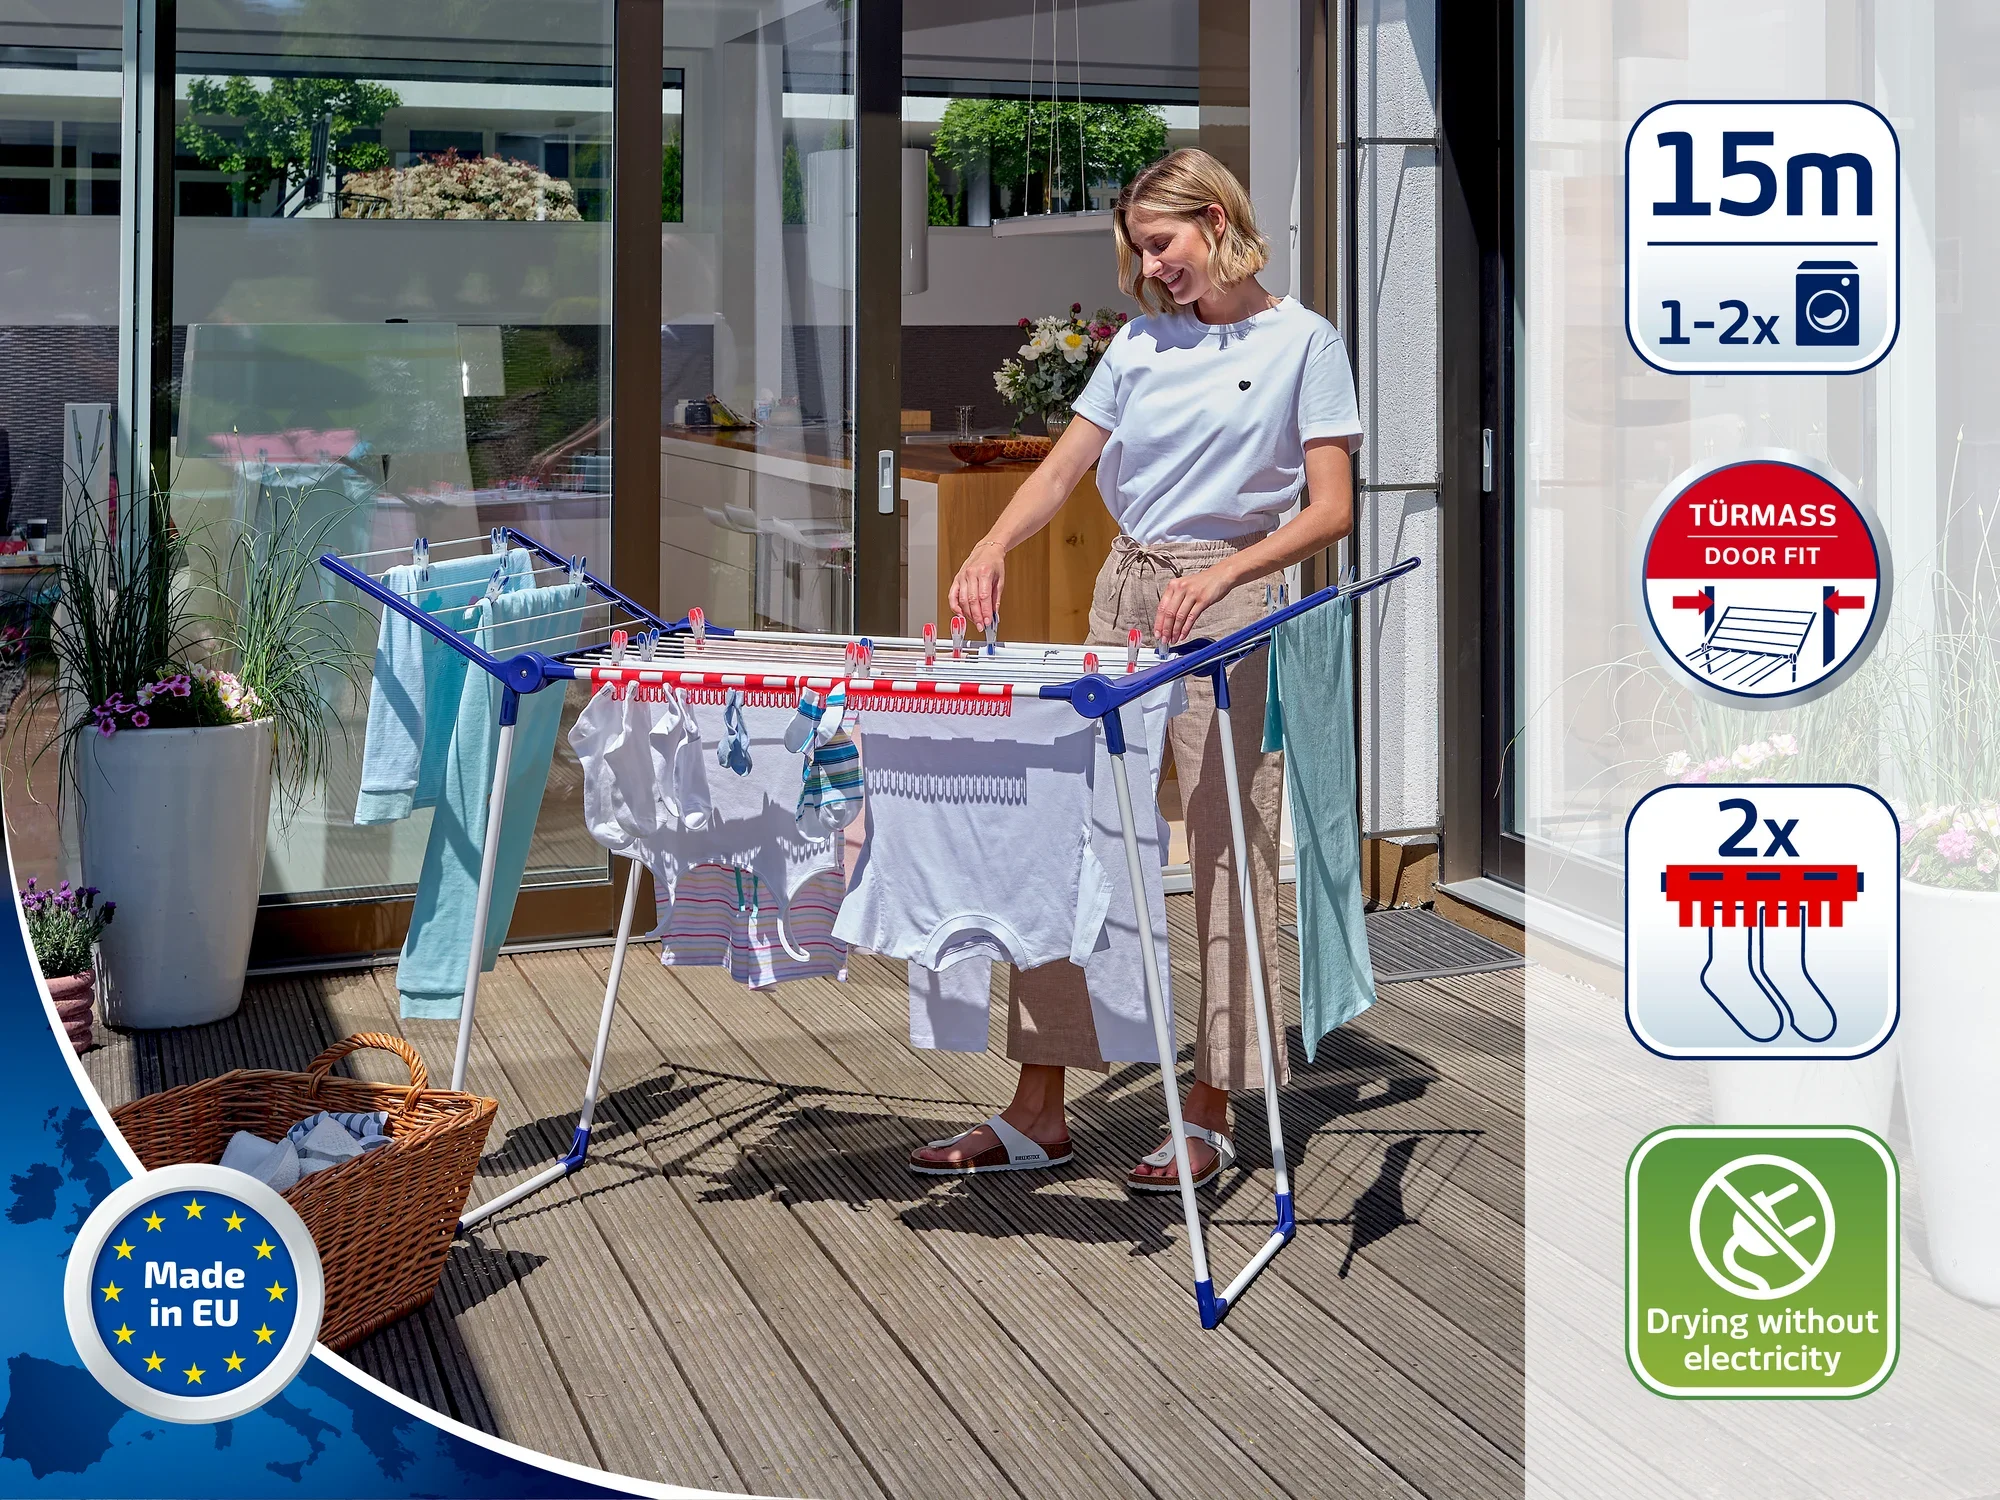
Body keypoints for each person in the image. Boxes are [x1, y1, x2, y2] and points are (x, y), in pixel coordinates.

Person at [911, 147, 1361, 1192]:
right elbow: (1065, 467)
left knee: (1224, 849)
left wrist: (1228, 573)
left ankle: (1208, 1106)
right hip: (1125, 591)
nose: (1150, 266)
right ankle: (1037, 1111)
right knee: (1070, 842)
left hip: (1232, 601)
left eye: (1160, 244)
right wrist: (991, 548)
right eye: (1138, 250)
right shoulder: (1137, 346)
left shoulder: (1304, 342)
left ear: (1213, 219)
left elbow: (1330, 510)